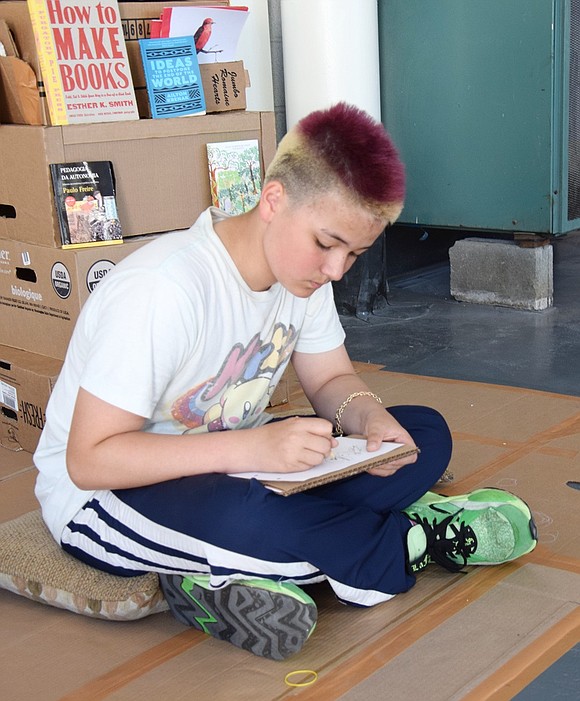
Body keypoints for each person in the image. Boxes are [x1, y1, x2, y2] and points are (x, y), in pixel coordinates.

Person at [34, 103, 538, 661]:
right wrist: (255, 446)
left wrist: (370, 423)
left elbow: (332, 377)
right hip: (108, 494)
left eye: (355, 253)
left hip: (229, 459)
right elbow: (90, 460)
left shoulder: (304, 279)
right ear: (273, 200)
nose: (337, 271)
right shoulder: (162, 291)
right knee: (270, 527)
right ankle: (405, 537)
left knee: (425, 433)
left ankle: (267, 560)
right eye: (326, 244)